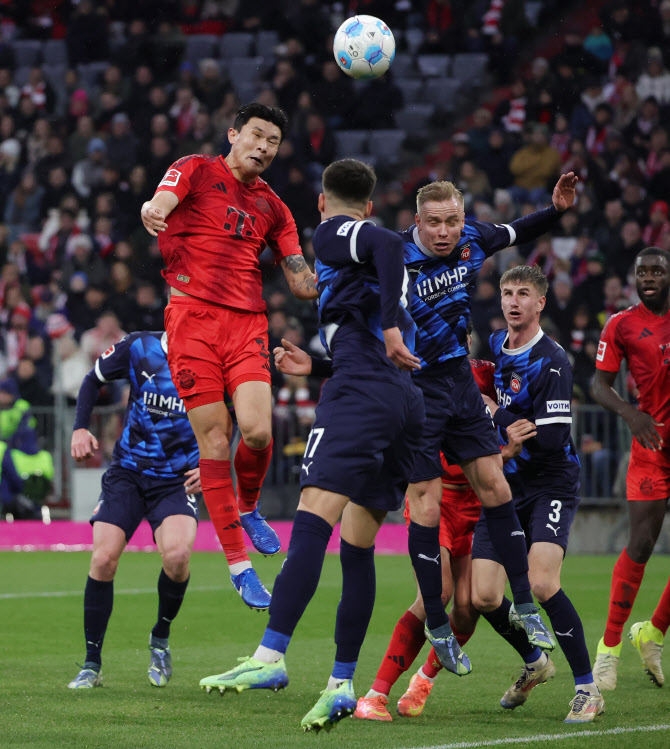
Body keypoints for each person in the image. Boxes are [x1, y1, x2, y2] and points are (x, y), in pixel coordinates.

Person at [198, 158, 425, 732]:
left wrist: (392, 326)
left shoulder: (332, 231)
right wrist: (319, 364)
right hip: (401, 401)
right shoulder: (364, 261)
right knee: (358, 548)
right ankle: (341, 683)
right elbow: (374, 312)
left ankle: (271, 658)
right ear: (369, 203)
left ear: (325, 204)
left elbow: (390, 247)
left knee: (311, 526)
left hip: (361, 396)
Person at [140, 103, 317, 610]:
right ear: (234, 134)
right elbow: (162, 200)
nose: (263, 148)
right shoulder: (196, 168)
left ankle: (249, 506)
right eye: (256, 136)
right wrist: (153, 209)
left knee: (258, 431)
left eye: (273, 143)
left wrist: (353, 263)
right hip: (192, 318)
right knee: (216, 438)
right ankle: (238, 565)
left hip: (247, 324)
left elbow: (301, 282)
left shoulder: (275, 208)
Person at [401, 174, 578, 665]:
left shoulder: (474, 239)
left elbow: (518, 231)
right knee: (425, 502)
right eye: (434, 222)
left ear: (463, 218)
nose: (444, 231)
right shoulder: (391, 255)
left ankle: (524, 600)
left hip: (457, 379)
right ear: (417, 222)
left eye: (452, 221)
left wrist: (557, 209)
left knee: (497, 488)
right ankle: (436, 623)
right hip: (418, 386)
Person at [354, 328, 538, 722]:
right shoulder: (414, 374)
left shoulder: (489, 376)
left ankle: (423, 681)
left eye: (460, 332)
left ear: (468, 338)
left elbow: (518, 416)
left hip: (480, 507)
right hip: (435, 499)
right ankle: (374, 694)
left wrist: (507, 450)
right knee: (435, 594)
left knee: (470, 607)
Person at [472, 265, 604, 723]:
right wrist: (499, 416)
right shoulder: (496, 345)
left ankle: (587, 689)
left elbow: (548, 440)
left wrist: (496, 418)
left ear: (540, 303)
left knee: (543, 584)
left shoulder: (552, 361)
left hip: (550, 482)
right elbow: (489, 400)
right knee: (482, 596)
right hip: (507, 482)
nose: (512, 301)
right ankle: (535, 661)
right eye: (507, 292)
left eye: (523, 294)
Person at [67, 331, 201, 690]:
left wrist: (213, 464)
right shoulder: (140, 346)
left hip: (176, 479)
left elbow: (230, 416)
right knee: (103, 559)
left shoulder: (211, 357)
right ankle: (91, 663)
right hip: (128, 472)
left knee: (176, 557)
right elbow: (92, 379)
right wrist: (80, 426)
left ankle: (160, 637)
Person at [591, 246, 670, 691]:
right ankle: (609, 649)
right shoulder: (621, 324)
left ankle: (653, 634)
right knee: (641, 544)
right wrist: (631, 414)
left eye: (658, 270)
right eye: (643, 272)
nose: (649, 278)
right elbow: (598, 385)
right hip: (651, 443)